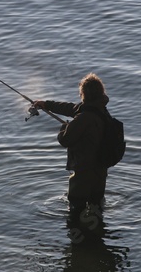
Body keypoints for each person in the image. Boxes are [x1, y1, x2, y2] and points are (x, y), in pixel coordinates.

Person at [33, 73, 110, 221]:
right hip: (100, 170)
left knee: (76, 211)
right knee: (97, 207)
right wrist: (46, 104)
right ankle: (96, 236)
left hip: (83, 172)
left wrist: (64, 127)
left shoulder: (83, 118)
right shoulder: (101, 110)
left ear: (83, 94)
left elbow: (65, 140)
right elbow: (72, 108)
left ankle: (78, 236)